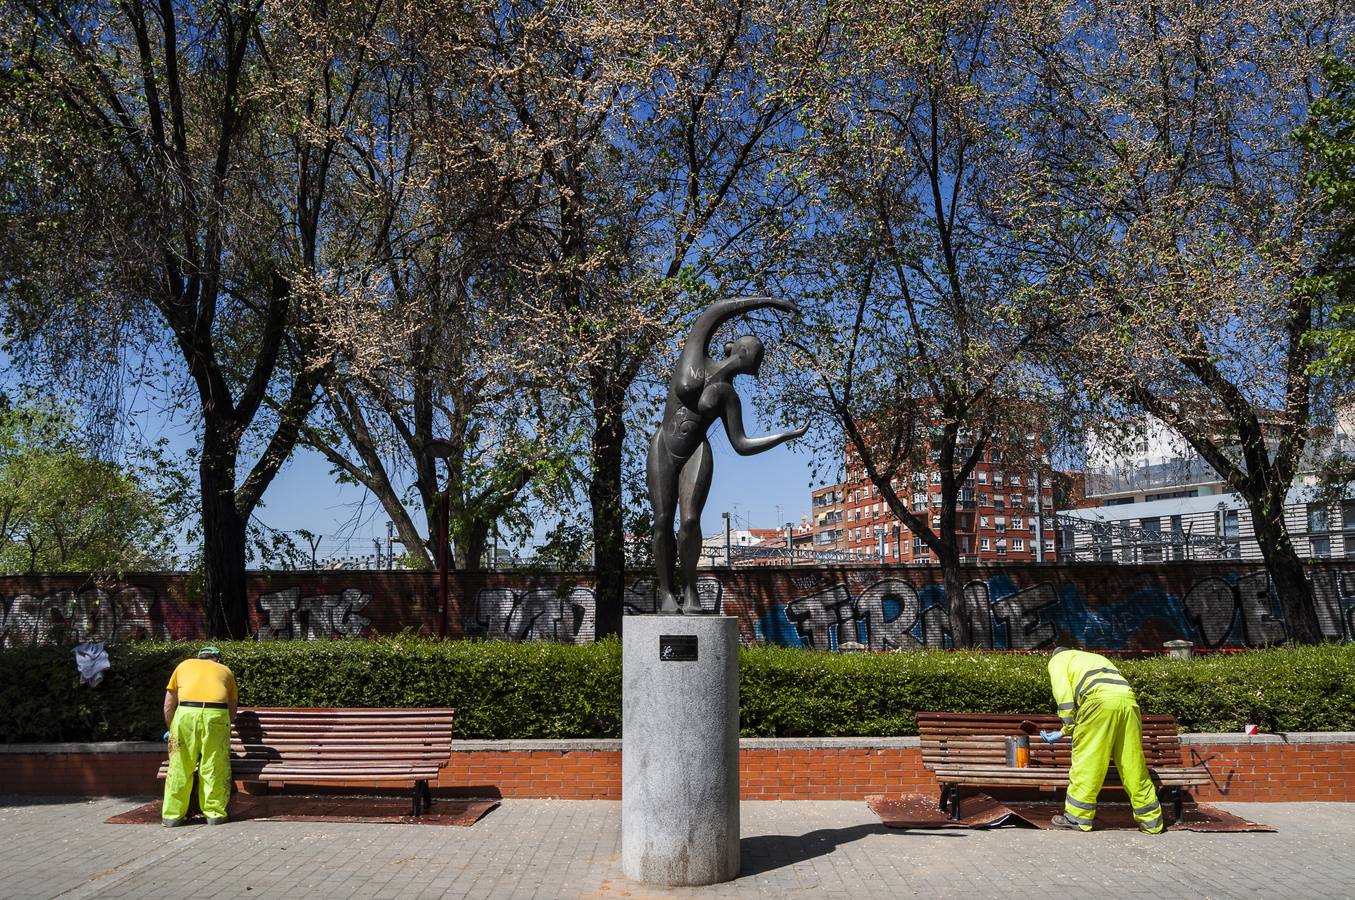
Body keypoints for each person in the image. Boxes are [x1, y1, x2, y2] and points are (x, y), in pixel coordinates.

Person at [647, 297, 807, 613]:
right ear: (744, 353)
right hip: (664, 447)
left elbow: (741, 445)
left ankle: (690, 591)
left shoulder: (729, 397)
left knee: (690, 520)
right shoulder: (696, 360)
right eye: (758, 356)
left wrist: (784, 436)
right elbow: (712, 314)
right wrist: (768, 302)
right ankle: (666, 593)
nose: (759, 363)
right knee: (663, 520)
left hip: (696, 451)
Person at [1040, 646, 1164, 834]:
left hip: (1098, 703)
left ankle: (1077, 818)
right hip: (1128, 702)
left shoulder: (1058, 660)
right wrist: (1063, 732)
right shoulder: (1092, 658)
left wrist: (1068, 726)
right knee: (1132, 764)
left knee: (1088, 763)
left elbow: (1064, 696)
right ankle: (1152, 821)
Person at [161, 645, 237, 826]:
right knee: (214, 764)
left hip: (186, 713)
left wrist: (172, 728)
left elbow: (168, 704)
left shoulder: (184, 665)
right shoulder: (225, 671)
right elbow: (232, 709)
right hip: (216, 715)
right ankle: (214, 814)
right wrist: (225, 726)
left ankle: (172, 816)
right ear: (217, 659)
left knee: (179, 764)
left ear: (199, 657)